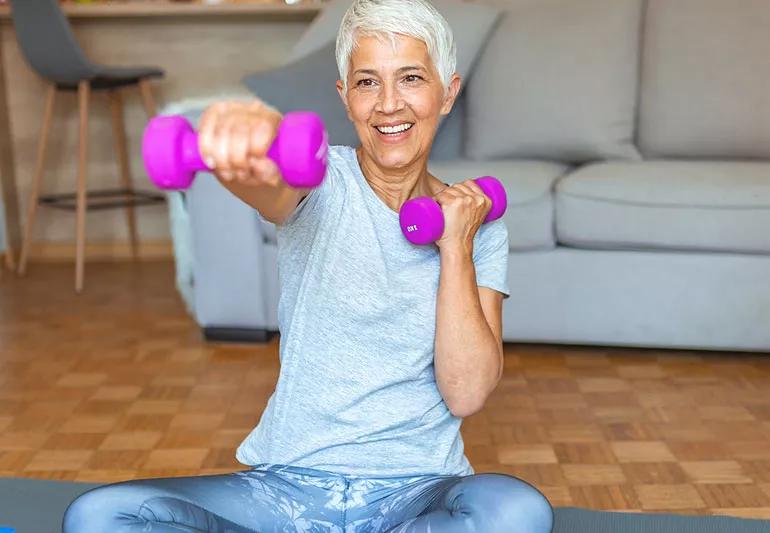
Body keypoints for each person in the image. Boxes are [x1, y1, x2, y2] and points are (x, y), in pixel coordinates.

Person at [63, 1, 553, 531]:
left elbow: (467, 392)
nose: (389, 104)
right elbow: (270, 183)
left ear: (447, 92)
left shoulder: (477, 221)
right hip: (283, 489)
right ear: (346, 98)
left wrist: (456, 244)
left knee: (515, 511)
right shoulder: (323, 183)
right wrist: (244, 145)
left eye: (410, 78)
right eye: (368, 83)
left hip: (417, 493)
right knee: (100, 516)